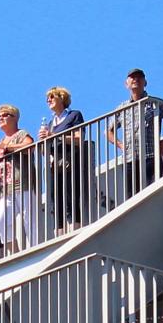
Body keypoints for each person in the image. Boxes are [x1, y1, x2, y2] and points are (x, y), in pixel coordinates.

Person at [104, 69, 163, 201]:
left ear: (145, 82)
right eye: (132, 77)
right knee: (132, 199)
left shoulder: (155, 103)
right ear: (126, 84)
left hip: (151, 156)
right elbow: (108, 131)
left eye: (139, 77)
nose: (136, 80)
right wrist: (120, 145)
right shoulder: (123, 107)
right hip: (130, 159)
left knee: (153, 196)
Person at [0, 103, 40, 254]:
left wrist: (9, 148)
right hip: (6, 189)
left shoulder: (21, 134)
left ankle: (35, 249)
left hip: (23, 184)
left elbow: (30, 146)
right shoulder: (0, 143)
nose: (1, 118)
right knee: (0, 220)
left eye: (5, 115)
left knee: (29, 219)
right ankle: (14, 252)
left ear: (15, 118)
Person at [38, 86, 93, 232]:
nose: (48, 100)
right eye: (47, 98)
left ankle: (74, 230)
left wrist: (54, 136)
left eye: (52, 96)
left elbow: (79, 138)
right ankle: (60, 233)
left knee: (71, 197)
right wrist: (44, 143)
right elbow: (45, 150)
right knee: (55, 200)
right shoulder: (50, 123)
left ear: (62, 98)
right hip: (54, 165)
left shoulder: (74, 115)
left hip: (70, 162)